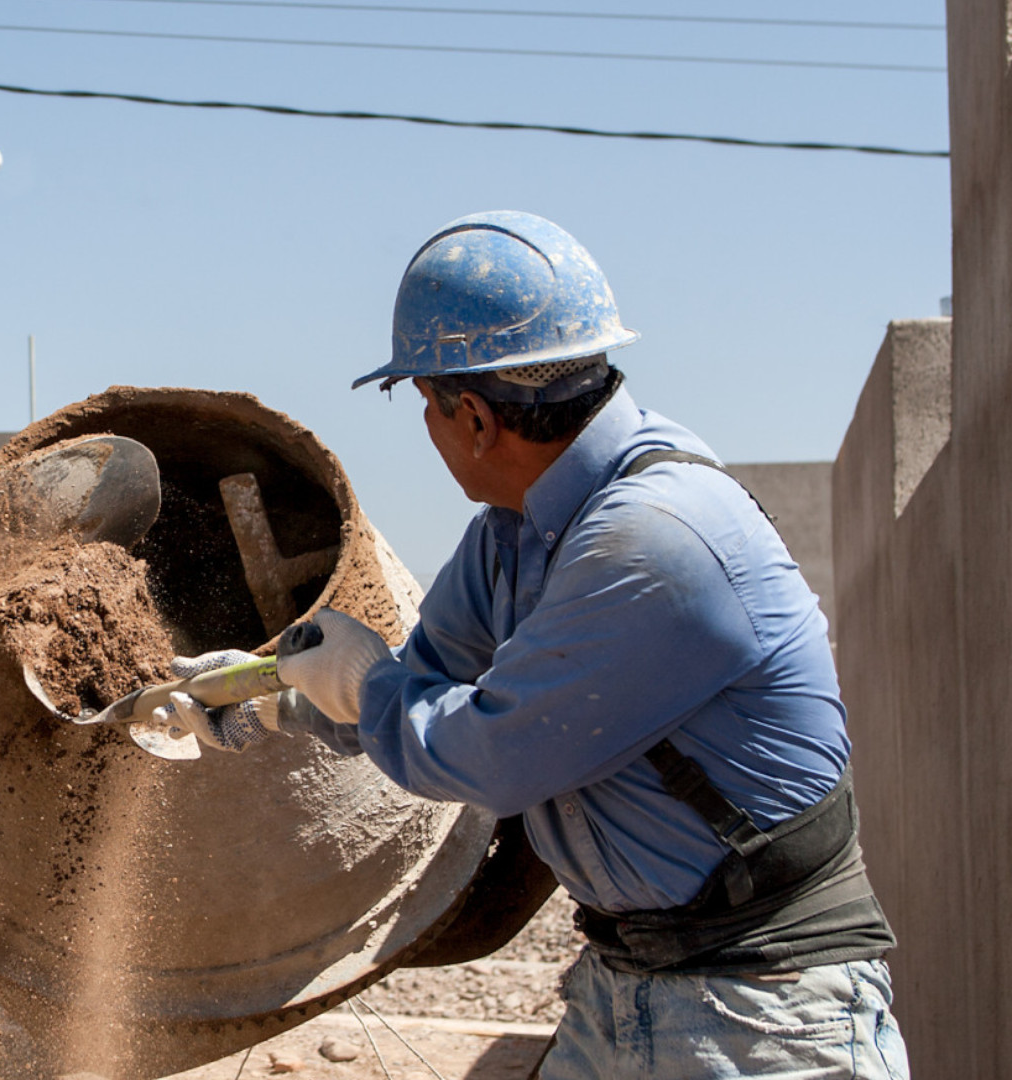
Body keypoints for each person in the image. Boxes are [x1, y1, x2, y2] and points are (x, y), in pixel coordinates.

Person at [165, 211, 909, 1078]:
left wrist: (358, 686)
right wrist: (276, 701)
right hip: (621, 983)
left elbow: (487, 754)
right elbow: (422, 681)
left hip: (761, 1008)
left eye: (425, 407)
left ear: (474, 417)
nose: (431, 434)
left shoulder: (657, 540)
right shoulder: (515, 537)